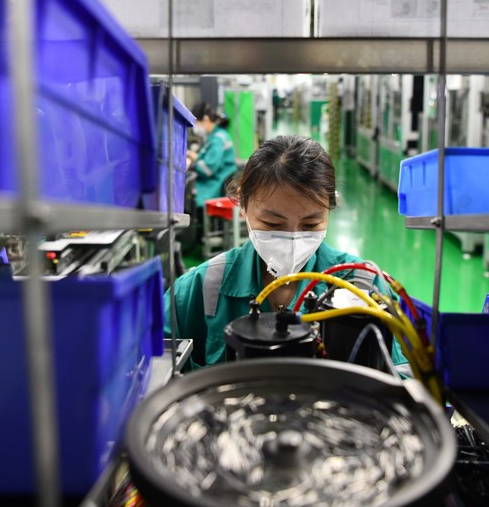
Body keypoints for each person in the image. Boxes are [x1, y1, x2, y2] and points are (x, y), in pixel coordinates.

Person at [164, 135, 407, 371]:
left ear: (328, 211)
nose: (292, 239)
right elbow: (154, 368)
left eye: (310, 225)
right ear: (242, 205)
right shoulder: (200, 289)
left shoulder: (362, 286)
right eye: (272, 224)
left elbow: (399, 379)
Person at [188, 103, 238, 208]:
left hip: (216, 181)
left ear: (205, 119)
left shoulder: (217, 139)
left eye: (196, 123)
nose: (195, 128)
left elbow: (208, 168)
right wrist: (191, 155)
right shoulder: (215, 135)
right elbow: (208, 158)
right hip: (218, 177)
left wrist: (191, 165)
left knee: (188, 193)